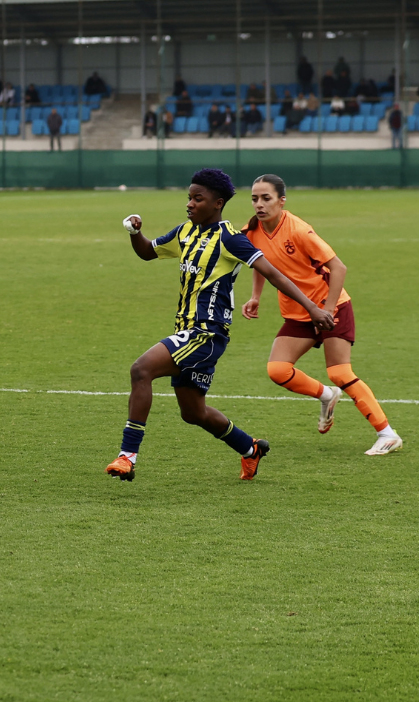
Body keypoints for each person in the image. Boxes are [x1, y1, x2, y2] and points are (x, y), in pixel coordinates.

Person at [106, 169, 335, 483]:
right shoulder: (184, 232)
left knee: (141, 369)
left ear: (217, 203)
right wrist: (135, 233)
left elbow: (274, 274)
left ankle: (127, 456)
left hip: (207, 333)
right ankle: (250, 448)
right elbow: (148, 252)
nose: (190, 204)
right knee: (193, 413)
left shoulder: (230, 238)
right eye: (189, 197)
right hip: (186, 332)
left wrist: (312, 307)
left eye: (197, 199)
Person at [242, 174, 403, 456]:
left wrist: (327, 309)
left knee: (339, 372)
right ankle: (327, 396)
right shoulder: (251, 231)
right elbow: (259, 264)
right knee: (278, 370)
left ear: (282, 201)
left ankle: (387, 434)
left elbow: (338, 267)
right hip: (297, 312)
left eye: (266, 198)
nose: (259, 204)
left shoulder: (299, 230)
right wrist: (256, 297)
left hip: (331, 306)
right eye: (255, 198)